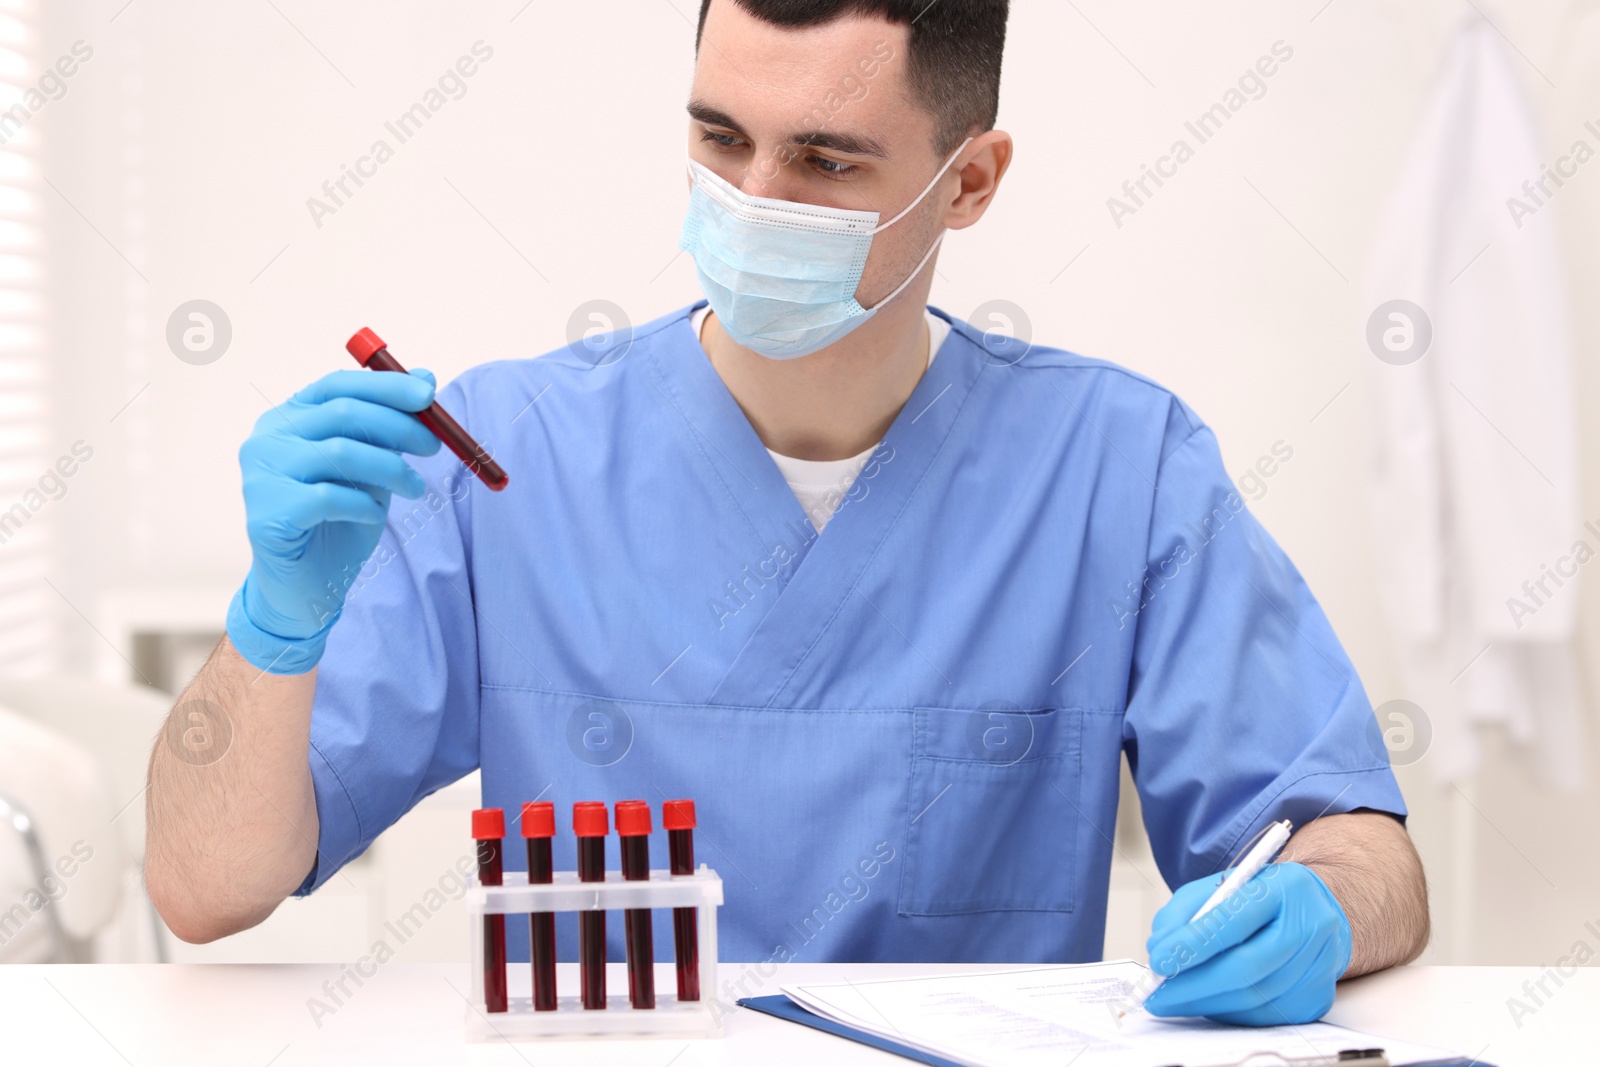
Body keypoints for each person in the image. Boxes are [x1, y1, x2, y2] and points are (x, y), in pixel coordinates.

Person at [146, 0, 1428, 1026]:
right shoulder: (509, 461)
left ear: (969, 181)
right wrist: (276, 625)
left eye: (825, 160)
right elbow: (203, 889)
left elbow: (1362, 849)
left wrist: (1315, 908)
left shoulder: (1119, 469)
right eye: (720, 138)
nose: (755, 198)